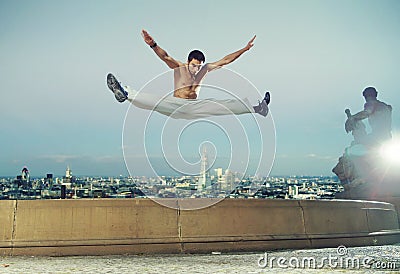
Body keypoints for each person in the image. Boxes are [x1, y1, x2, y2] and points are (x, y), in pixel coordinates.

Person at [107, 29, 270, 119]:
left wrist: (245, 48)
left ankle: (258, 108)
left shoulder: (203, 70)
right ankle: (125, 93)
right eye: (193, 66)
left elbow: (226, 60)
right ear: (188, 62)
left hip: (193, 107)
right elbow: (165, 57)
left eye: (198, 66)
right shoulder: (179, 67)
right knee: (154, 101)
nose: (196, 70)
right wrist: (153, 45)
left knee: (222, 105)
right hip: (175, 105)